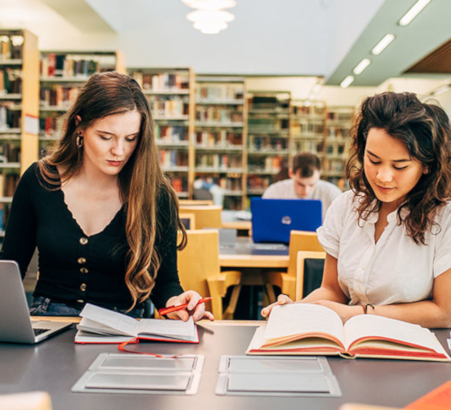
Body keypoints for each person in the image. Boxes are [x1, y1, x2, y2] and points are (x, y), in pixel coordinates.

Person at [0, 71, 214, 322]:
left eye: (131, 138)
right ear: (79, 126)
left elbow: (166, 283)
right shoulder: (39, 180)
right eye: (105, 137)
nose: (119, 151)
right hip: (48, 321)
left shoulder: (155, 193)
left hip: (124, 325)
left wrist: (177, 303)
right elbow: (10, 270)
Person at [262, 91, 451, 329]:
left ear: (426, 165)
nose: (383, 177)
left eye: (399, 166)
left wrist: (359, 314)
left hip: (418, 353)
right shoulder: (345, 206)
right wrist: (298, 310)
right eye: (373, 160)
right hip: (350, 346)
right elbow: (333, 291)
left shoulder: (446, 218)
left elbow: (444, 312)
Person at [262, 153, 341, 219]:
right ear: (291, 173)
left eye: (311, 185)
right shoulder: (274, 191)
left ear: (319, 175)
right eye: (300, 184)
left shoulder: (333, 194)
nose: (306, 191)